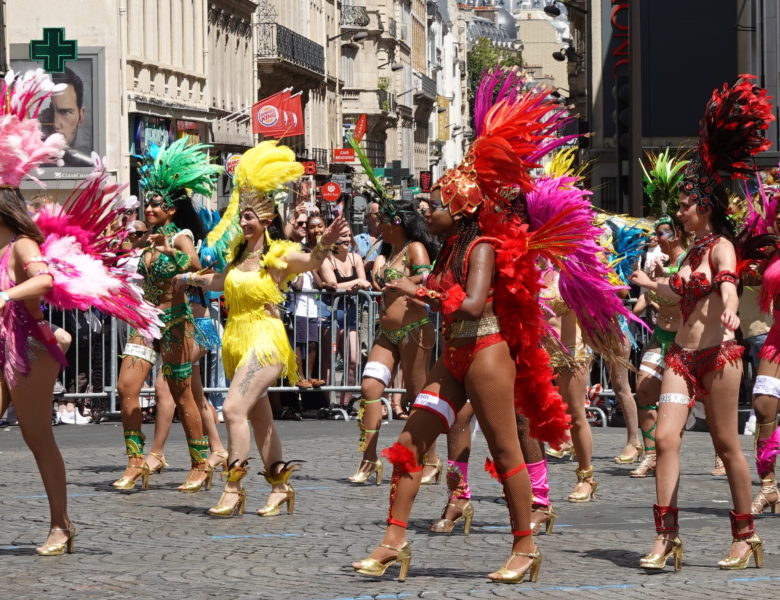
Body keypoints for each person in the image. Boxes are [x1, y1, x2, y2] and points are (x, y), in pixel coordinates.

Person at [351, 68, 575, 584]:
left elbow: (473, 305)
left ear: (463, 209)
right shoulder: (451, 247)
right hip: (452, 356)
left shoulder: (480, 249)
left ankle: (525, 548)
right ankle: (393, 541)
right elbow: (439, 294)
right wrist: (412, 284)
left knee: (504, 448)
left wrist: (418, 289)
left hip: (486, 354)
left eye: (437, 205)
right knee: (411, 439)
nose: (427, 212)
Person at [629, 75, 772, 571]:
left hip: (720, 356)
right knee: (666, 439)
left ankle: (744, 536)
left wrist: (731, 306)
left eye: (685, 206)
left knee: (727, 445)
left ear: (704, 205)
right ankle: (665, 538)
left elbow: (728, 282)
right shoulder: (688, 250)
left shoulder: (721, 246)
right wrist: (650, 286)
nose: (679, 213)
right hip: (681, 357)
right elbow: (678, 293)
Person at [183, 141, 350, 518]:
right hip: (237, 340)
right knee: (260, 420)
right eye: (241, 216)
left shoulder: (279, 255)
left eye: (250, 217)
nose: (243, 222)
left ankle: (233, 487)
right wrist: (187, 277)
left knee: (231, 408)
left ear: (267, 219)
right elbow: (218, 281)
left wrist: (322, 244)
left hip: (265, 339)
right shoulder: (239, 256)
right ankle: (281, 487)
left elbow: (309, 262)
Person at [112, 136, 222, 492]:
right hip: (144, 322)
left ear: (171, 210)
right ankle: (135, 461)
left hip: (176, 323)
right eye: (148, 204)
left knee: (182, 393)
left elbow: (196, 268)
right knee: (125, 386)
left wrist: (170, 254)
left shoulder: (179, 238)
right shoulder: (143, 241)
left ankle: (200, 462)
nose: (150, 209)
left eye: (157, 205)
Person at [344, 141, 439, 486]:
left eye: (381, 219)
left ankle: (430, 459)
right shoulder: (388, 251)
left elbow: (428, 277)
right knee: (370, 387)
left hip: (415, 330)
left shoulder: (414, 247)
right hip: (389, 332)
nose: (376, 224)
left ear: (396, 222)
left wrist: (404, 282)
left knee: (418, 395)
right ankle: (368, 460)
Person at [630, 214, 686, 478]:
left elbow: (678, 292)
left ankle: (721, 454)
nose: (657, 237)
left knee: (701, 401)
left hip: (684, 341)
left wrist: (652, 282)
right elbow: (646, 296)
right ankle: (651, 456)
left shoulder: (689, 260)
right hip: (660, 335)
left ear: (676, 233)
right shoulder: (660, 263)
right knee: (644, 390)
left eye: (663, 232)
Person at [319, 232, 370, 407]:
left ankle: (344, 403)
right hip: (331, 314)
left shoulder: (356, 258)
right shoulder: (326, 259)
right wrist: (356, 282)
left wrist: (358, 282)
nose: (348, 239)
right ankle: (330, 404)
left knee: (353, 360)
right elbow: (334, 286)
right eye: (343, 236)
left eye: (349, 235)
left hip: (351, 314)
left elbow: (365, 282)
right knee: (330, 360)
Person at [42, 68, 92, 167]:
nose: (55, 124)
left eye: (65, 112)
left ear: (81, 115)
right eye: (52, 111)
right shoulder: (33, 163)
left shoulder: (89, 162)